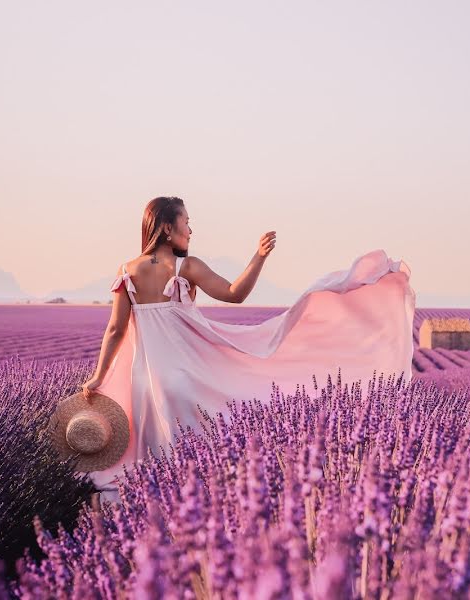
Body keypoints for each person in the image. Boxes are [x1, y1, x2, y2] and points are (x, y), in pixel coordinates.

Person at [80, 196, 415, 504]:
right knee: (195, 461)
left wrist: (98, 377)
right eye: (186, 221)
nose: (191, 229)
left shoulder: (127, 272)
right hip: (185, 375)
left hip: (144, 380)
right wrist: (259, 257)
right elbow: (234, 293)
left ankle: (139, 522)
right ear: (167, 228)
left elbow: (115, 329)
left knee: (152, 462)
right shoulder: (186, 268)